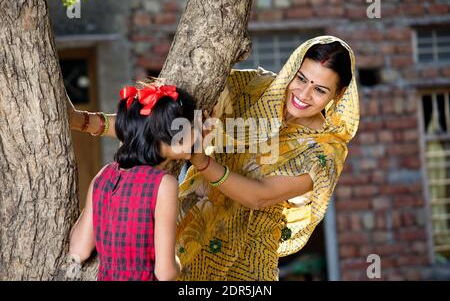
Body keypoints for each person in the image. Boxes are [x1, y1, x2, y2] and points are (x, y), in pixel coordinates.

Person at [68, 35, 359, 281]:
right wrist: (86, 122)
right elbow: (163, 121)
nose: (304, 94)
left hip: (245, 259)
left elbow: (259, 196)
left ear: (339, 93)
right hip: (185, 227)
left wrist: (201, 160)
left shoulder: (325, 151)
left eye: (320, 89)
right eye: (301, 78)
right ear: (292, 68)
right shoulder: (253, 88)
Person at [67, 82, 196, 281]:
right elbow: (165, 272)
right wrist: (178, 262)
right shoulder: (164, 184)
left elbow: (80, 249)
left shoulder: (104, 176)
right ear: (163, 133)